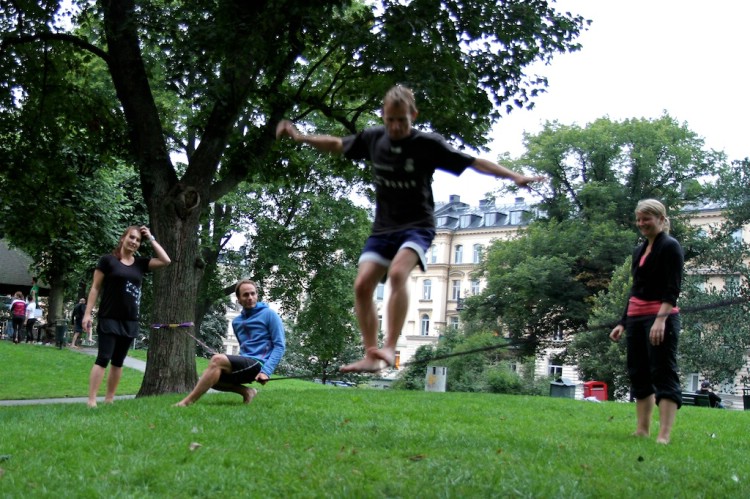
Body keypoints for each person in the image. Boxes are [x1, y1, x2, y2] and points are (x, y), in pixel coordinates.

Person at [276, 85, 544, 373]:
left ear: (413, 115)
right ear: (383, 116)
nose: (395, 127)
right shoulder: (373, 138)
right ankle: (371, 354)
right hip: (382, 228)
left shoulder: (427, 144)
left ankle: (390, 347)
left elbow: (474, 162)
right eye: (390, 120)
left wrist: (515, 176)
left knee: (398, 272)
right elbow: (338, 144)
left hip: (417, 227)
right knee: (362, 284)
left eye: (402, 120)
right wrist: (301, 137)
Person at [610, 199, 684, 444]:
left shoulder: (670, 247)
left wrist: (660, 320)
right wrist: (622, 322)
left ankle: (664, 435)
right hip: (635, 318)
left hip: (660, 318)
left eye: (647, 219)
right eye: (639, 219)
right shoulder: (639, 250)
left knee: (662, 372)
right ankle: (642, 430)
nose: (642, 223)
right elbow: (635, 289)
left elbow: (673, 288)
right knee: (638, 372)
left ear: (661, 220)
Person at [83, 225, 171, 408]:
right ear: (123, 238)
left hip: (130, 320)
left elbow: (165, 260)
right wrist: (87, 314)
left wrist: (151, 238)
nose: (134, 242)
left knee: (118, 362)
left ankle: (109, 399)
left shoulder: (140, 264)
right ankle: (91, 400)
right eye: (131, 237)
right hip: (109, 317)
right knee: (103, 358)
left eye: (138, 240)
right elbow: (95, 288)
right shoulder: (107, 261)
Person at [176, 279, 286, 406]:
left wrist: (266, 371)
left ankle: (186, 402)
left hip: (259, 363)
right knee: (210, 377)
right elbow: (245, 346)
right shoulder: (236, 322)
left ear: (257, 295)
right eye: (245, 295)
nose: (250, 297)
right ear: (238, 299)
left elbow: (280, 346)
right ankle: (247, 392)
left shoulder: (269, 314)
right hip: (246, 361)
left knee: (217, 360)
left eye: (253, 293)